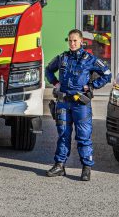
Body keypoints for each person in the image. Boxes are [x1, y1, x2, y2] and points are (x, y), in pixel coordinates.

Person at [45, 29, 111, 181]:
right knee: (63, 135)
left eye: (75, 40)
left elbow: (107, 74)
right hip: (63, 102)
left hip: (81, 104)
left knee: (83, 137)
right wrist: (55, 83)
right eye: (70, 40)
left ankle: (86, 168)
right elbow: (48, 70)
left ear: (82, 41)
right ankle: (60, 165)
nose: (72, 43)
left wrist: (93, 85)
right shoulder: (62, 58)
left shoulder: (90, 59)